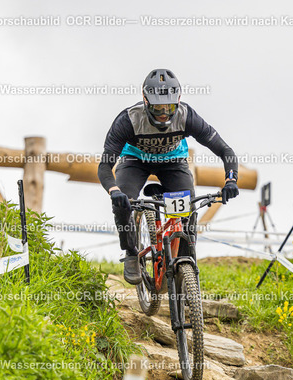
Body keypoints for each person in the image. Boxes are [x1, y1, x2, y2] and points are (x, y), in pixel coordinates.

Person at [98, 69, 239, 285]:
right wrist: (114, 191)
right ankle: (131, 252)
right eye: (157, 108)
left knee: (187, 209)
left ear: (178, 101)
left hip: (172, 162)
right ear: (145, 101)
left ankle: (185, 263)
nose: (164, 114)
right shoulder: (128, 120)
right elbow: (105, 166)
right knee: (124, 203)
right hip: (136, 160)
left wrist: (230, 180)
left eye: (169, 108)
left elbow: (225, 150)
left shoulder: (187, 116)